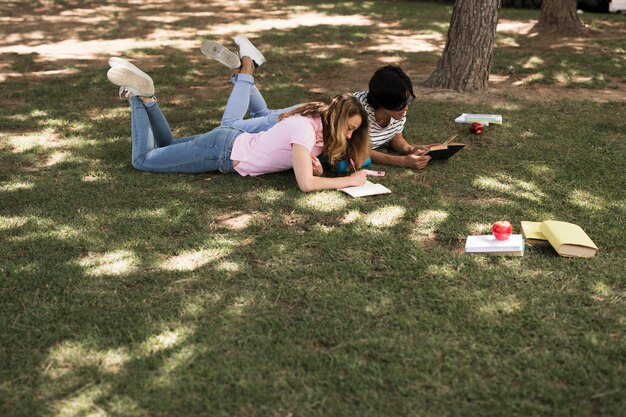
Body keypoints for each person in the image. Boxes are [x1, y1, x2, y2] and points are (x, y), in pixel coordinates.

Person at [105, 51, 370, 192]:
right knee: (143, 159)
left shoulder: (314, 124)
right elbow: (306, 185)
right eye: (349, 128)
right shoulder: (305, 132)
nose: (349, 136)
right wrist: (350, 181)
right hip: (222, 151)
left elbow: (298, 165)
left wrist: (318, 170)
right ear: (336, 119)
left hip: (227, 141)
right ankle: (137, 97)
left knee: (167, 145)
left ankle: (149, 98)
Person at [201, 38, 433, 171]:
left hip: (302, 121)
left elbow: (395, 136)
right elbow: (359, 149)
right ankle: (247, 66)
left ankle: (241, 72)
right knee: (231, 125)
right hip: (302, 123)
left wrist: (408, 149)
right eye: (402, 104)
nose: (406, 109)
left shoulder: (397, 112)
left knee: (262, 113)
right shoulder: (358, 113)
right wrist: (401, 162)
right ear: (383, 105)